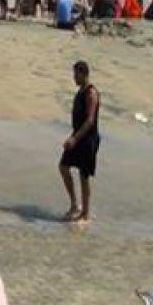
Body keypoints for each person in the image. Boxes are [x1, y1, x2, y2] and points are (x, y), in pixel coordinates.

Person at [59, 61, 100, 223]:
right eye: (74, 74)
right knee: (63, 167)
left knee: (84, 175)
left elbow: (90, 120)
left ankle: (85, 214)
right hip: (77, 135)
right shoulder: (80, 92)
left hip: (87, 138)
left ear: (84, 74)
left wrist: (75, 138)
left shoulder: (91, 93)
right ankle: (75, 204)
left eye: (76, 74)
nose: (74, 78)